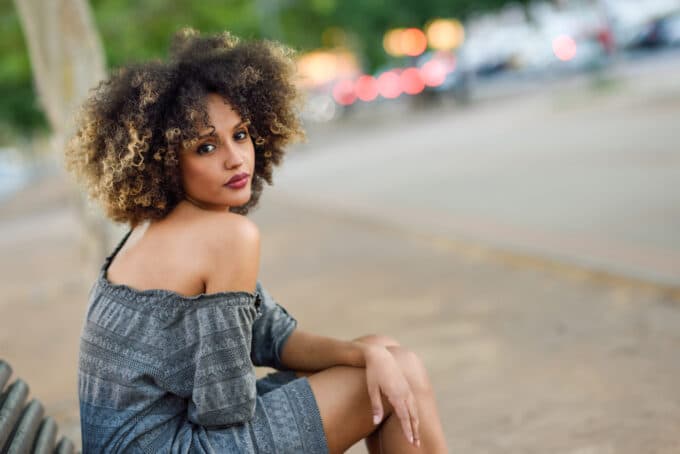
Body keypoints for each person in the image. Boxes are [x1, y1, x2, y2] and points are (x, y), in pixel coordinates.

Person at [65, 28, 447, 453]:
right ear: (166, 161)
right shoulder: (228, 236)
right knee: (399, 373)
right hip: (178, 444)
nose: (234, 158)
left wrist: (367, 356)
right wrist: (359, 373)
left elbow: (270, 337)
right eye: (206, 147)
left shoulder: (153, 230)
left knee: (384, 352)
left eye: (241, 134)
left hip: (168, 437)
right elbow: (223, 411)